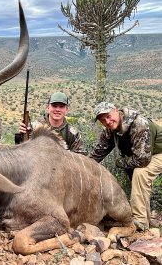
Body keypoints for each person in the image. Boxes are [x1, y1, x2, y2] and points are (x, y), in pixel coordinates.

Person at [89, 101, 162, 231]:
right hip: (141, 156)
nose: (108, 121)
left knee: (140, 173)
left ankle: (139, 221)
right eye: (103, 120)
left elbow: (143, 160)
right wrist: (83, 165)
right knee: (136, 178)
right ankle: (146, 219)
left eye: (109, 116)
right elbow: (98, 153)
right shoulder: (110, 130)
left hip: (158, 153)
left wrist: (120, 162)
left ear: (117, 111)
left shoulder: (138, 124)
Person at [18, 91, 87, 155]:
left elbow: (79, 159)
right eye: (54, 105)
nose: (57, 109)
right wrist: (21, 135)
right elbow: (22, 152)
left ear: (66, 110)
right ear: (48, 107)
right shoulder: (33, 127)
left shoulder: (73, 133)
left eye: (61, 106)